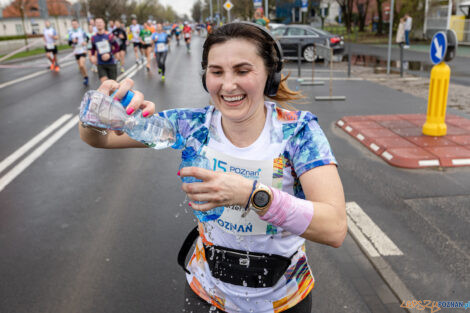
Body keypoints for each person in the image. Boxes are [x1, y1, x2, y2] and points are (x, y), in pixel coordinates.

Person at [78, 22, 346, 313]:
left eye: (243, 71)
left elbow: (334, 228)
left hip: (284, 302)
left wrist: (250, 194)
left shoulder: (298, 131)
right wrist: (98, 114)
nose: (228, 85)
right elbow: (99, 141)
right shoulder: (192, 125)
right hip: (206, 297)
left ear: (269, 74)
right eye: (217, 72)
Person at [91, 18, 120, 82]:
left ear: (104, 24)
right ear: (95, 25)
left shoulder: (109, 35)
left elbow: (117, 47)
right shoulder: (93, 37)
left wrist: (110, 54)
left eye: (100, 22)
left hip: (111, 62)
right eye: (97, 22)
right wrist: (92, 55)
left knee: (113, 85)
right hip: (100, 63)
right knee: (104, 83)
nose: (99, 24)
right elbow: (93, 48)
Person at [68, 19, 89, 86]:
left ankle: (86, 77)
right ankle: (84, 77)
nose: (74, 25)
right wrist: (72, 43)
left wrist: (85, 42)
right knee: (80, 67)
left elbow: (87, 38)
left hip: (82, 50)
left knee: (82, 65)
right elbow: (69, 43)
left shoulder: (81, 31)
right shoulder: (70, 33)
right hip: (76, 51)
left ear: (78, 24)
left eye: (75, 24)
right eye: (73, 24)